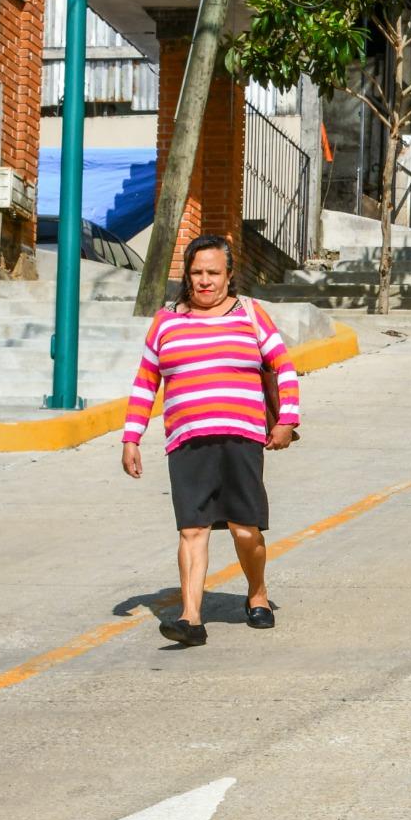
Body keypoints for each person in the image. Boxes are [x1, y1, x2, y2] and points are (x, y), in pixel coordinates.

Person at [119, 234, 300, 647]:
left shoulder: (251, 314)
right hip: (187, 441)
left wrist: (287, 420)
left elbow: (284, 368)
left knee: (245, 530)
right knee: (192, 529)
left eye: (213, 273)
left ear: (229, 275)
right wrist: (132, 437)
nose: (204, 281)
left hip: (241, 438)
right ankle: (191, 618)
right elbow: (146, 382)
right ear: (187, 274)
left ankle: (257, 593)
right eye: (197, 272)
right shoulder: (165, 321)